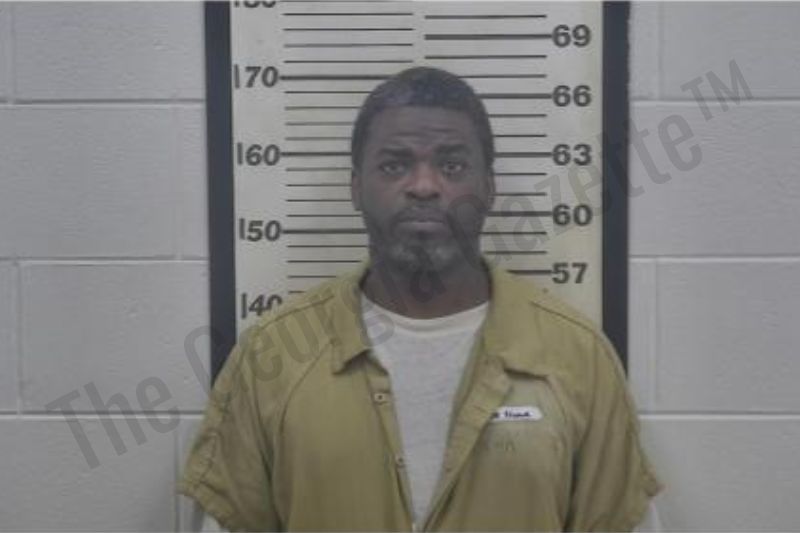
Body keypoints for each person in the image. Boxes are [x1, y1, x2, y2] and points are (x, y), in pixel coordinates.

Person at [178, 66, 663, 531]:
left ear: (489, 188)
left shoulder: (578, 358)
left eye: (452, 165)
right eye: (395, 165)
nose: (424, 186)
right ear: (356, 188)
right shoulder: (271, 358)